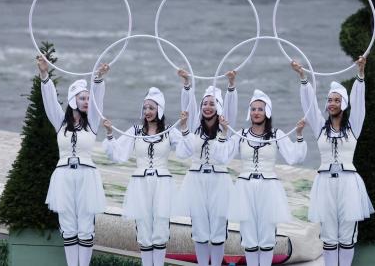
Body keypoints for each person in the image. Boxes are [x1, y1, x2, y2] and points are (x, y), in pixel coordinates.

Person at [291, 56, 374, 266]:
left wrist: (361, 74)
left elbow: (360, 105)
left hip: (349, 184)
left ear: (344, 104)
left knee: (347, 236)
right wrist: (303, 77)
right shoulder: (320, 128)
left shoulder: (353, 128)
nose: (332, 104)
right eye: (330, 100)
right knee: (329, 236)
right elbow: (309, 105)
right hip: (325, 183)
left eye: (337, 100)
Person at [216, 86, 307, 266]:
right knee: (249, 236)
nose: (256, 112)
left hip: (269, 189)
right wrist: (224, 132)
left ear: (267, 112)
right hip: (245, 189)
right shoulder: (239, 134)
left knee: (266, 237)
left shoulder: (276, 135)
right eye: (253, 109)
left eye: (260, 109)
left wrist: (298, 134)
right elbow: (222, 157)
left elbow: (294, 157)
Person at [102, 83, 191, 266]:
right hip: (140, 185)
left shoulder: (168, 131)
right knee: (143, 229)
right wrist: (110, 133)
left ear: (160, 109)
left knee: (160, 229)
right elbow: (118, 153)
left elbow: (185, 151)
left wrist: (184, 127)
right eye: (145, 108)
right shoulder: (135, 131)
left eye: (151, 108)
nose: (147, 111)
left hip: (162, 185)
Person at [37, 55, 108, 266]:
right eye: (82, 98)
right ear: (72, 100)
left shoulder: (92, 122)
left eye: (88, 98)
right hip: (63, 176)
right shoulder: (60, 122)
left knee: (86, 228)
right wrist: (44, 74)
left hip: (87, 177)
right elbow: (49, 101)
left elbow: (98, 101)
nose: (87, 102)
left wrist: (98, 79)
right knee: (68, 227)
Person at [175, 69, 238, 266]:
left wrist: (231, 84)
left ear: (219, 107)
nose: (207, 107)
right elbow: (189, 104)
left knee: (219, 229)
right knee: (200, 229)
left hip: (219, 182)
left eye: (212, 104)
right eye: (205, 103)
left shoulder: (225, 128)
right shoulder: (194, 126)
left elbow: (232, 107)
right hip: (196, 181)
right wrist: (187, 84)